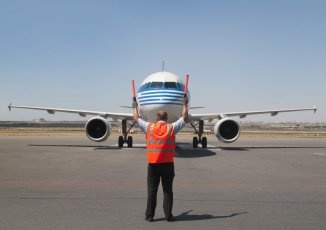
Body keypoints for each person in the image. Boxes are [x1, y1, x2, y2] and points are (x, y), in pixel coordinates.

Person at [132, 97, 189, 222]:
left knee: (152, 191)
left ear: (156, 118)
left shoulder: (149, 127)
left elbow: (136, 118)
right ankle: (168, 216)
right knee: (168, 191)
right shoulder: (171, 128)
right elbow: (184, 117)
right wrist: (185, 104)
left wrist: (134, 106)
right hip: (168, 165)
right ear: (167, 119)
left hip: (153, 165)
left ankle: (149, 216)